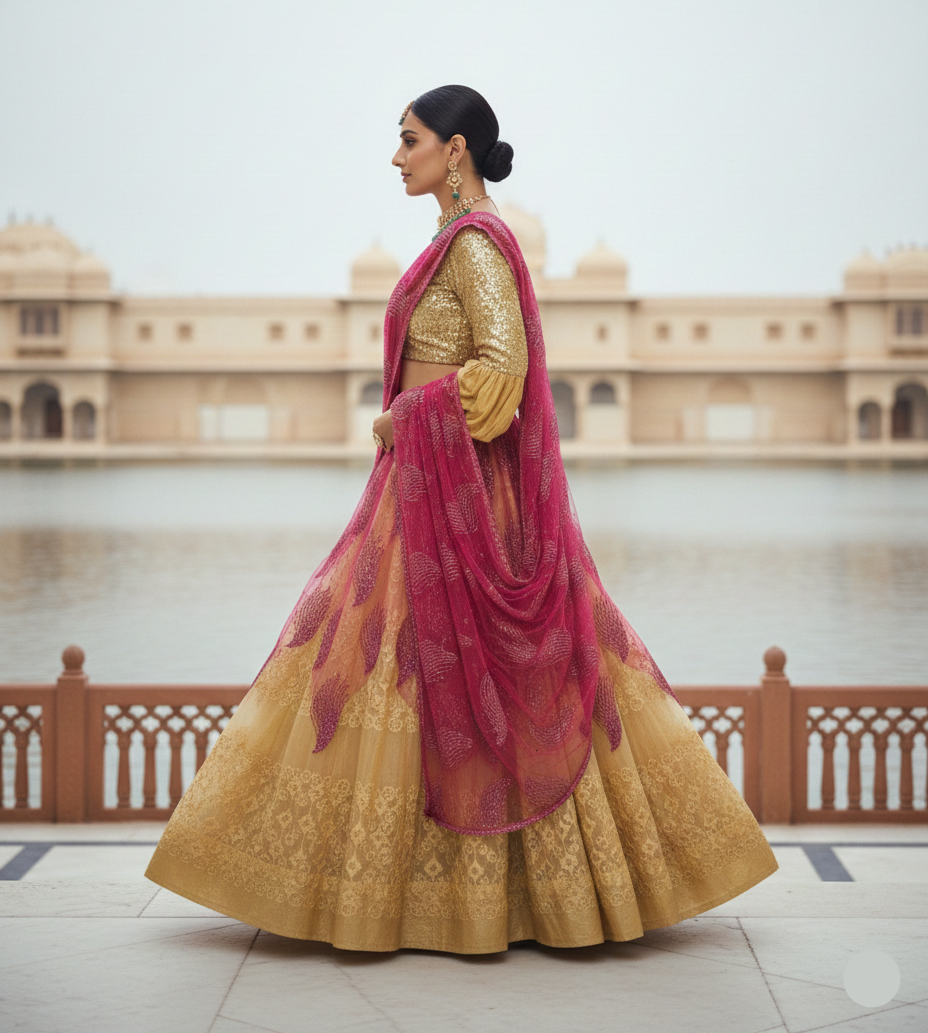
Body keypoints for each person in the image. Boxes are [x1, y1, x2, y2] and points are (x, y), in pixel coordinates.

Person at [144, 85, 778, 953]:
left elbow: (503, 369)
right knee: (385, 666)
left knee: (440, 669)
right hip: (426, 491)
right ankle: (424, 895)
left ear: (456, 150)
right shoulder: (449, 244)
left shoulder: (476, 245)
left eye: (408, 140)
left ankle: (507, 896)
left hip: (459, 502)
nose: (396, 157)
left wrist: (408, 418)